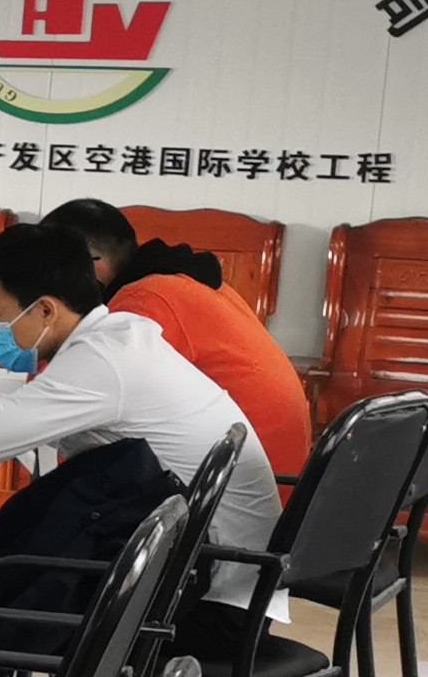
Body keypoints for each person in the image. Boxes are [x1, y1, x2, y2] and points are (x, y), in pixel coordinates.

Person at [0, 224, 281, 601]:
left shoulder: (101, 359)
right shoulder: (117, 335)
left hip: (208, 586)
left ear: (45, 309)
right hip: (217, 560)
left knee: (6, 578)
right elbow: (43, 405)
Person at [40, 197, 310, 486]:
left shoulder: (145, 300)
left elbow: (86, 400)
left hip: (239, 487)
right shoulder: (182, 281)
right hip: (266, 475)